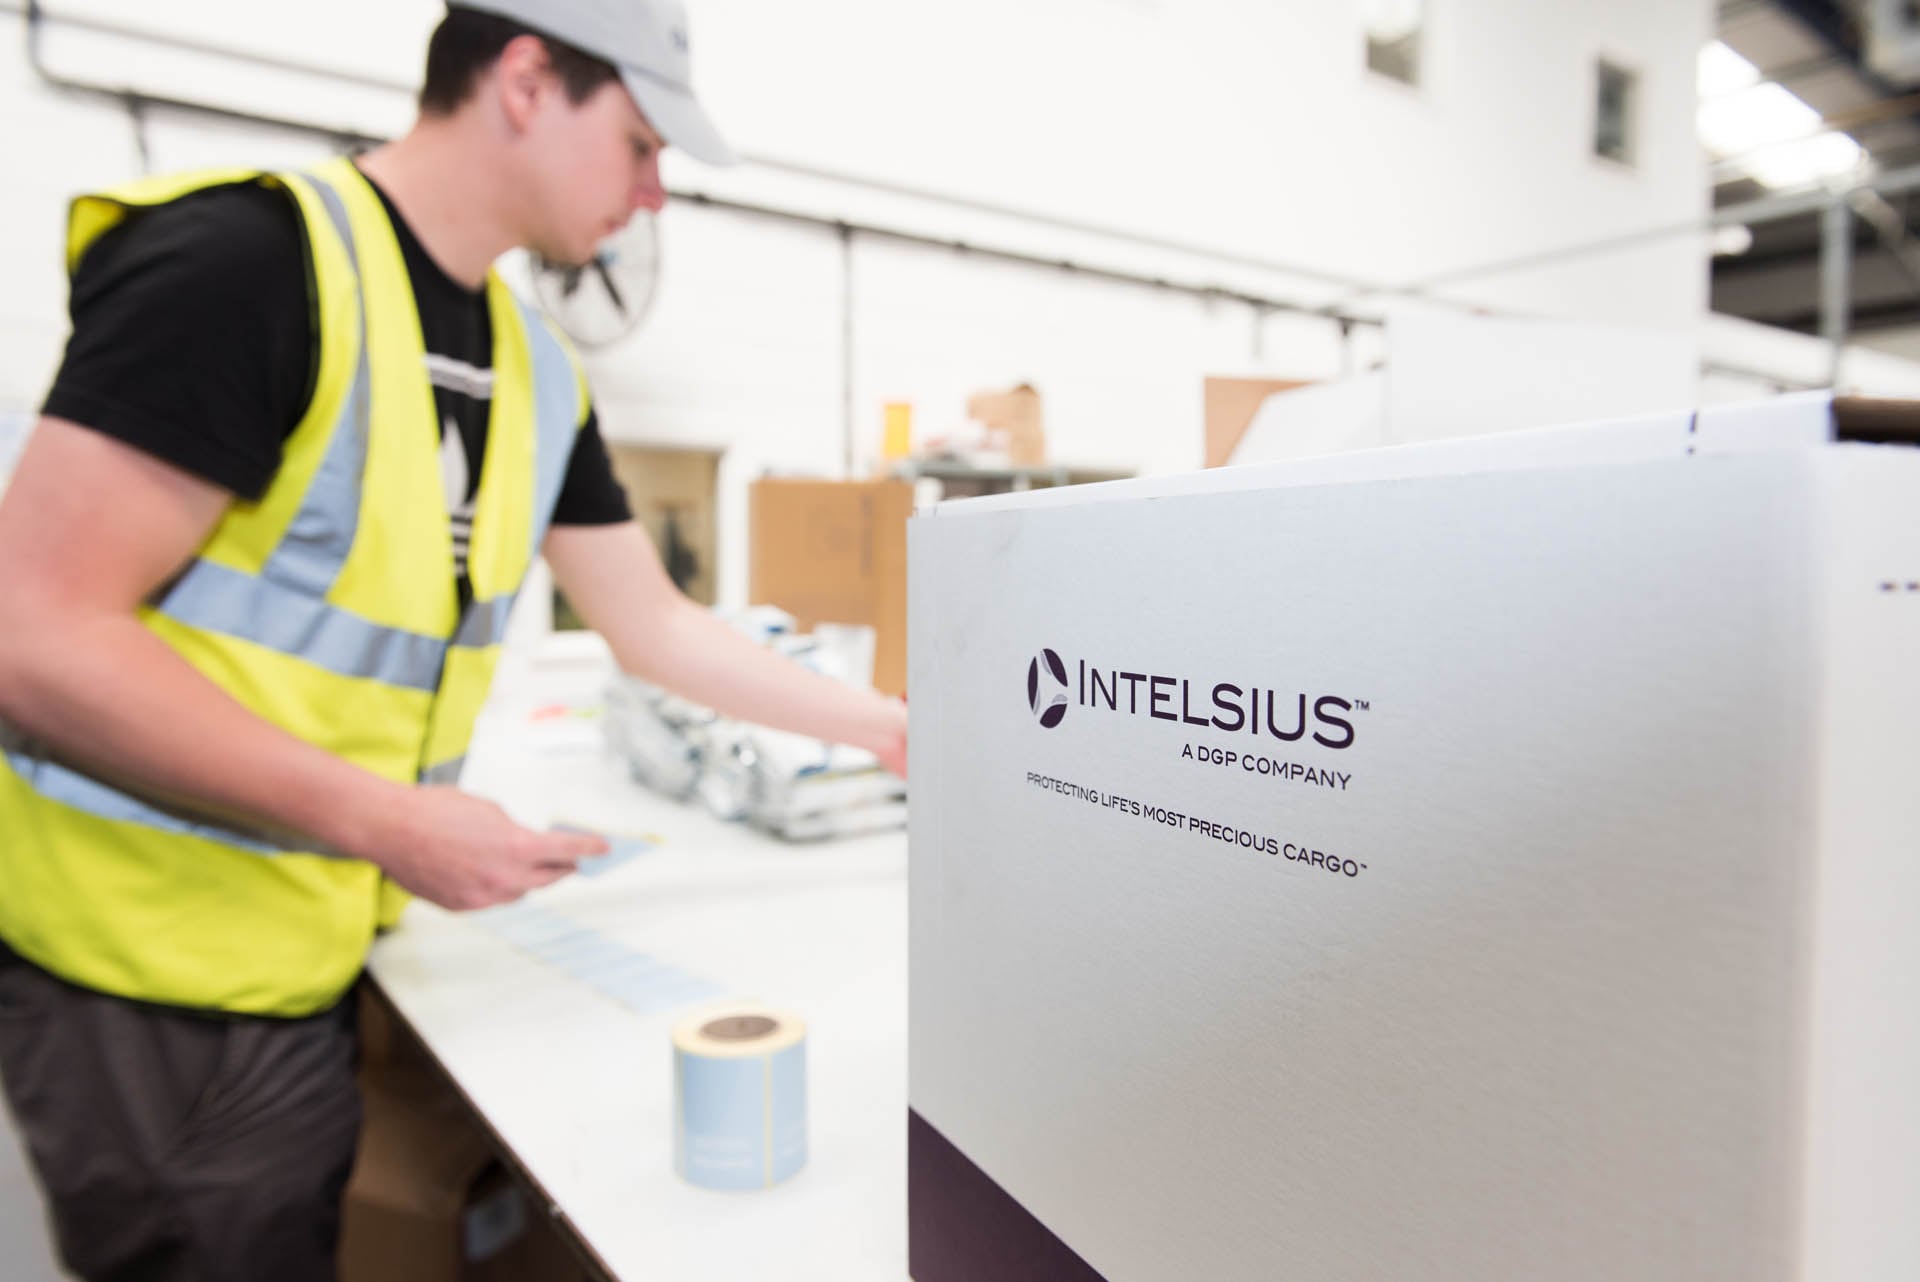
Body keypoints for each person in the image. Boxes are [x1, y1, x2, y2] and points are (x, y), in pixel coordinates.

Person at [0, 2, 907, 1278]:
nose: (655, 193)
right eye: (641, 144)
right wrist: (388, 820)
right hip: (147, 968)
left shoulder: (536, 367)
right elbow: (33, 634)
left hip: (314, 939)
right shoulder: (249, 264)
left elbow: (652, 623)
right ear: (527, 80)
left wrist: (895, 731)